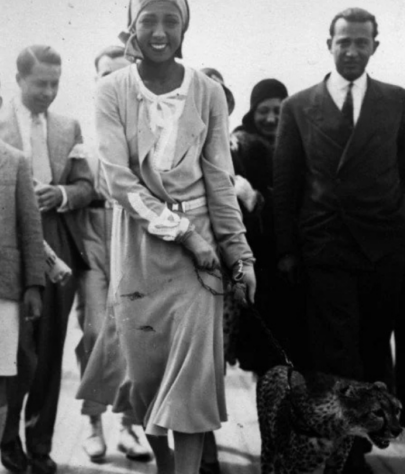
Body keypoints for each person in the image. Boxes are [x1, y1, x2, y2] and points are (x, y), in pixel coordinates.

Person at [95, 1, 256, 472]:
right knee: (145, 380)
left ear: (184, 26)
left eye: (171, 19)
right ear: (133, 26)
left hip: (199, 264)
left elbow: (220, 181)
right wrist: (184, 233)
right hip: (140, 251)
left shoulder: (206, 91)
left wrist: (239, 255)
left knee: (193, 381)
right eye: (149, 19)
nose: (160, 31)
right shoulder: (111, 91)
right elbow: (117, 180)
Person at [273, 7, 405, 471]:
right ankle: (348, 455)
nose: (351, 50)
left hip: (383, 248)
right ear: (328, 45)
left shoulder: (396, 100)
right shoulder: (298, 107)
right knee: (337, 353)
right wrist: (289, 251)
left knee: (376, 348)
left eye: (361, 42)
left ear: (375, 45)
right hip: (327, 248)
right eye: (343, 42)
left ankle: (369, 441)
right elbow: (286, 185)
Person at [0, 45, 95, 474]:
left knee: (49, 353)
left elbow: (87, 188)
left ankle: (40, 445)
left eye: (55, 83)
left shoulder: (67, 126)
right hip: (12, 251)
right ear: (19, 80)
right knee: (13, 353)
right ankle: (7, 440)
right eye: (41, 83)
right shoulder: (0, 127)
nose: (49, 92)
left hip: (58, 244)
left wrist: (60, 195)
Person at [72, 44, 151, 465]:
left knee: (133, 333)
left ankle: (127, 423)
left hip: (136, 239)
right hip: (94, 238)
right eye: (106, 74)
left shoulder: (148, 127)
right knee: (94, 331)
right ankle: (91, 420)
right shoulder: (80, 133)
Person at [227, 78, 299, 372]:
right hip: (258, 257)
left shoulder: (298, 142)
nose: (270, 119)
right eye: (263, 111)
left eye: (278, 110)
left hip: (292, 254)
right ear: (251, 113)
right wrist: (254, 199)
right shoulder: (241, 145)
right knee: (264, 349)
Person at [0, 79, 44, 460]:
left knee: (6, 369)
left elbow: (31, 230)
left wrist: (33, 285)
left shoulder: (14, 160)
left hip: (6, 288)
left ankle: (5, 437)